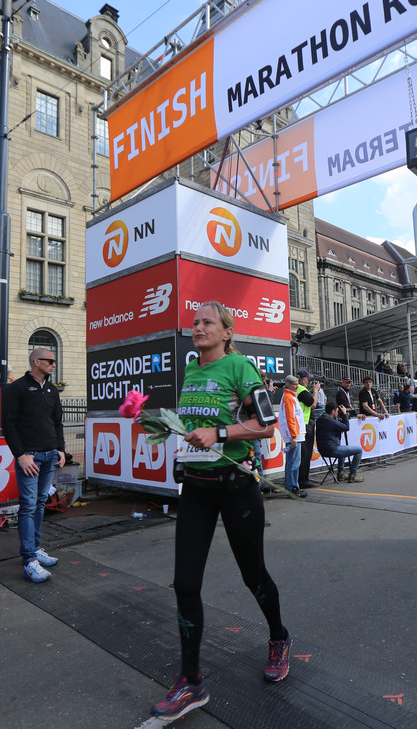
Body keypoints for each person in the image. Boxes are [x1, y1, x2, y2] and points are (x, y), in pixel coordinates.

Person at [153, 302, 290, 721]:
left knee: (253, 576)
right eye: (195, 322)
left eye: (207, 322)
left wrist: (220, 432)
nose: (197, 327)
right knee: (184, 584)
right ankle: (191, 682)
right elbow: (192, 428)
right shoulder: (191, 370)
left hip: (236, 489)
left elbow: (267, 425)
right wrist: (171, 436)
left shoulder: (239, 367)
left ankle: (279, 637)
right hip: (196, 489)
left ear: (227, 332)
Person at [2, 348, 66, 583]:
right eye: (50, 361)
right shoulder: (17, 388)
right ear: (36, 362)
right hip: (29, 457)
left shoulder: (52, 389)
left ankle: (36, 549)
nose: (54, 364)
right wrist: (20, 455)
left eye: (54, 361)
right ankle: (29, 560)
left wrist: (60, 449)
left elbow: (57, 422)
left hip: (49, 455)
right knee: (28, 506)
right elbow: (8, 424)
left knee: (39, 503)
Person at [315, 402, 363, 482]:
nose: (337, 413)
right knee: (359, 450)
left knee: (342, 447)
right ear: (333, 412)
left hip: (322, 450)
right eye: (337, 411)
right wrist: (345, 414)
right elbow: (346, 427)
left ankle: (341, 473)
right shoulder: (330, 421)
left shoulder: (321, 419)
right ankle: (353, 475)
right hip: (332, 449)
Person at [278, 374, 306, 497]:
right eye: (295, 384)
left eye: (297, 384)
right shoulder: (289, 398)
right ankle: (292, 487)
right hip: (294, 435)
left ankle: (292, 486)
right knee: (294, 462)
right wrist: (293, 436)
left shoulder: (289, 396)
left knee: (292, 461)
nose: (297, 386)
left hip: (294, 434)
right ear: (289, 385)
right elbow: (290, 418)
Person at [293, 370, 317, 489]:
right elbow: (313, 404)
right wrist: (316, 391)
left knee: (303, 454)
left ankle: (302, 479)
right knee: (305, 454)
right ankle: (303, 480)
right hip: (304, 425)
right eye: (307, 379)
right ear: (302, 380)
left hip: (302, 424)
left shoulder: (300, 390)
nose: (309, 381)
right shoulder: (301, 390)